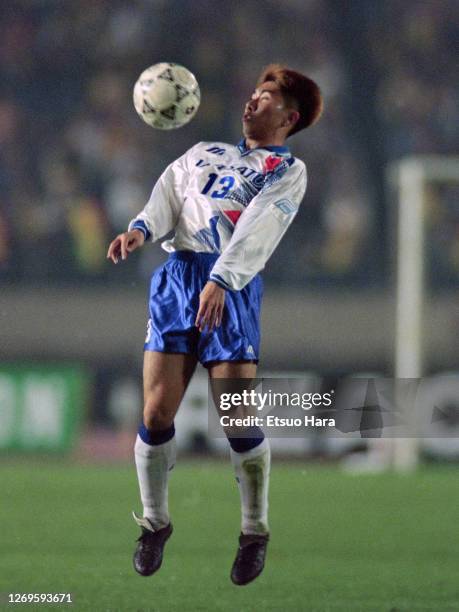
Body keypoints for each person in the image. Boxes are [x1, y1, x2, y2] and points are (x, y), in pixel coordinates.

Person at [107, 64, 323, 585]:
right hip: (179, 277)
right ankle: (155, 522)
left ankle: (254, 531)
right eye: (253, 92)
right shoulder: (203, 151)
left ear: (288, 117)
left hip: (231, 284)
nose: (252, 101)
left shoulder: (285, 169)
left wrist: (223, 281)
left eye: (266, 97)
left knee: (236, 420)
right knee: (156, 412)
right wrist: (140, 229)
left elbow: (260, 226)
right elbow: (169, 194)